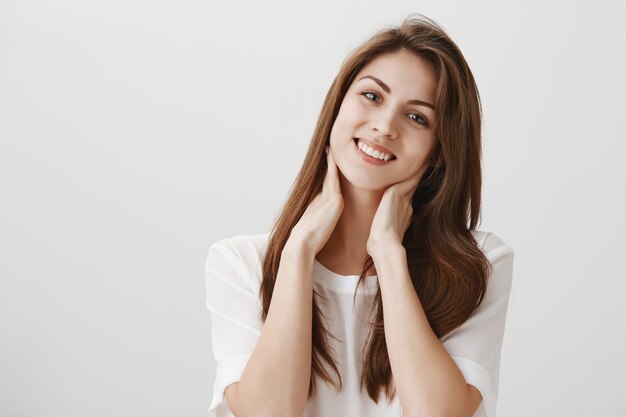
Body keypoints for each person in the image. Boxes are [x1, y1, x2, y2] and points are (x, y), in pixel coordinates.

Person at [204, 13, 514, 417]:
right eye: (372, 96)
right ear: (338, 103)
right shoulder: (239, 264)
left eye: (417, 117)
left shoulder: (478, 264)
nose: (384, 126)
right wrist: (298, 250)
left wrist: (387, 253)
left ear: (439, 150)